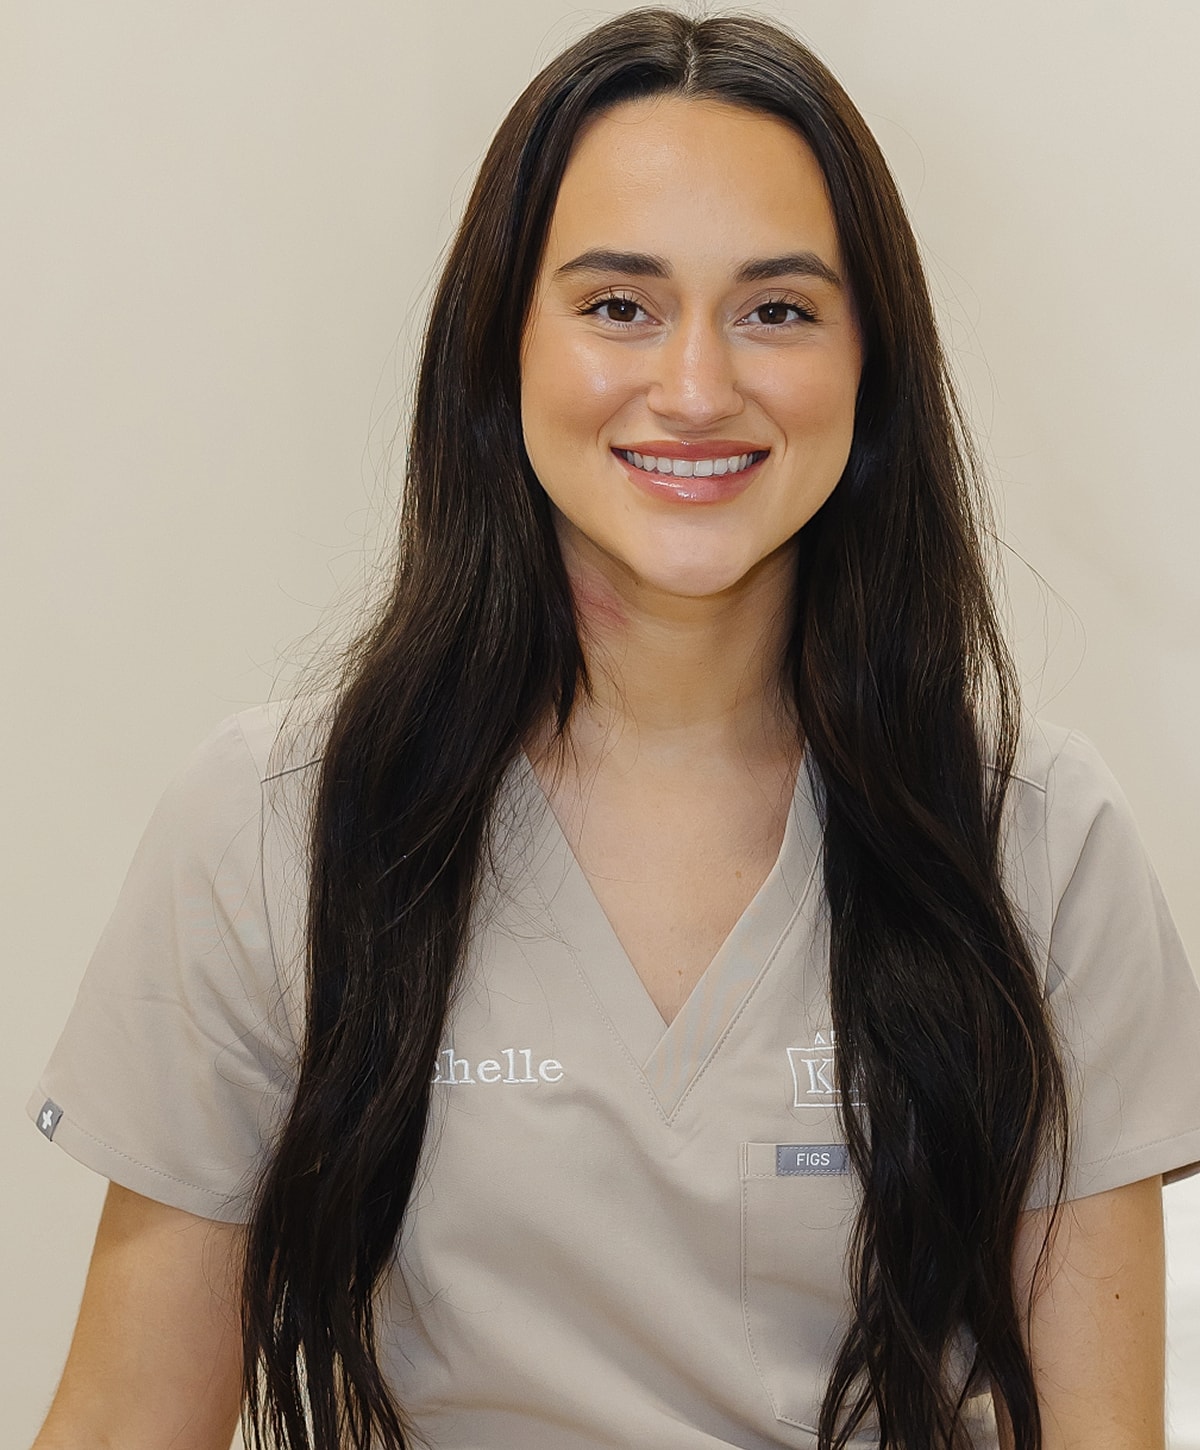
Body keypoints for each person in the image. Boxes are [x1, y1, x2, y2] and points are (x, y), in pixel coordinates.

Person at [26, 8, 1200, 1449]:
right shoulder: (275, 826)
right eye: (618, 306)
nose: (696, 388)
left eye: (778, 310)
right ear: (501, 347)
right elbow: (123, 1425)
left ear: (870, 367)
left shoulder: (1042, 847)